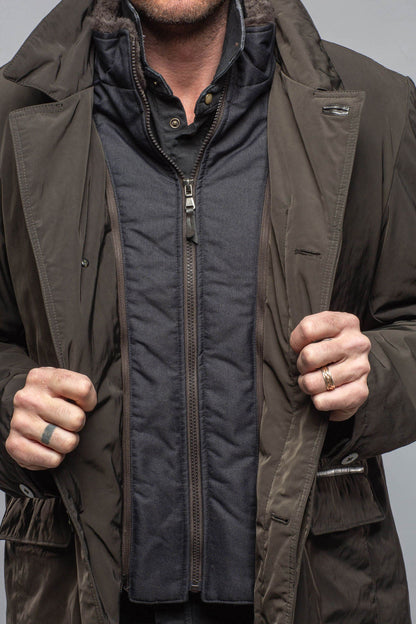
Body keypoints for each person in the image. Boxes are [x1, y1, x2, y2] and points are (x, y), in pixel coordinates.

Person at [0, 0, 415, 622]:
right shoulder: (11, 115)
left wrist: (373, 373)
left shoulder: (379, 105)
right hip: (85, 594)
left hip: (320, 593)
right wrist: (8, 404)